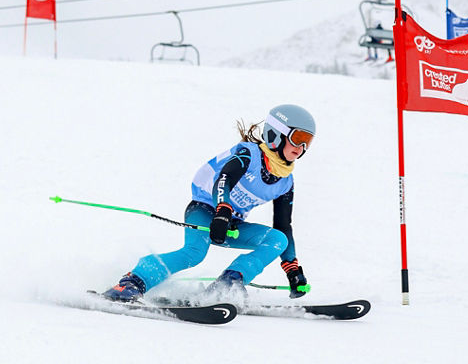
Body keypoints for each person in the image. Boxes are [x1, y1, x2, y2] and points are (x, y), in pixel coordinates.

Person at [103, 104, 316, 303]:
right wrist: (222, 210)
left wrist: (292, 268)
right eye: (298, 138)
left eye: (308, 141)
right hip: (205, 209)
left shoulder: (286, 182)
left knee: (278, 239)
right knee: (194, 253)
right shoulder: (248, 153)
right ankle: (132, 282)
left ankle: (229, 282)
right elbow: (225, 179)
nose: (302, 147)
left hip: (231, 223)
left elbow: (284, 226)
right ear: (275, 134)